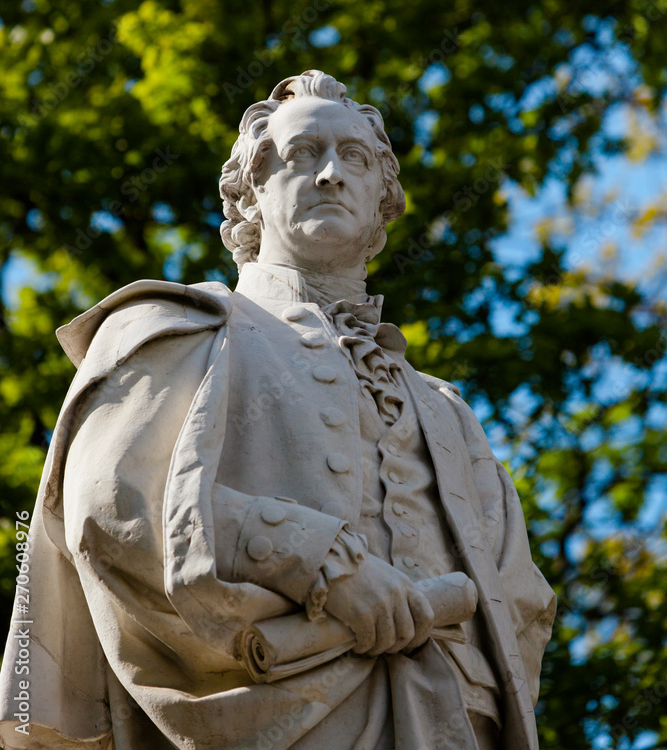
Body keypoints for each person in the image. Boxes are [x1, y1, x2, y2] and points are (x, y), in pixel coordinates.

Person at [0, 70, 556, 750]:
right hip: (269, 704)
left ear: (384, 199)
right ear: (250, 194)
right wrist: (319, 561)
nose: (329, 175)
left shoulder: (445, 410)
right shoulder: (176, 328)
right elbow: (114, 507)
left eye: (353, 157)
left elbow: (519, 606)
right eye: (302, 155)